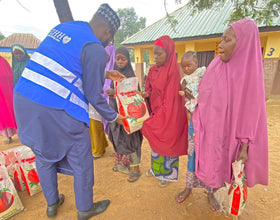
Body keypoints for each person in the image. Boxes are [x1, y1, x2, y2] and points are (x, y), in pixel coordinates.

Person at [13, 4, 125, 220]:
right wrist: (115, 116)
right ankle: (84, 209)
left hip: (25, 99)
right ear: (108, 32)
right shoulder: (96, 49)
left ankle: (52, 204)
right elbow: (94, 95)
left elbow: (67, 64)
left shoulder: (66, 28)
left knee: (42, 154)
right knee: (81, 157)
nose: (108, 43)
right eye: (109, 40)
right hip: (56, 107)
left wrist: (106, 72)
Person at [192, 18, 268, 205]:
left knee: (235, 172)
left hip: (236, 137)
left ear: (243, 43)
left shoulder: (250, 74)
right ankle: (213, 193)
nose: (220, 45)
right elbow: (204, 93)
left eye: (227, 40)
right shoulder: (217, 64)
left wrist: (244, 147)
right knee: (214, 168)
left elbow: (251, 112)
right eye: (221, 40)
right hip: (214, 132)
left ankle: (230, 204)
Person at [139, 35, 188, 187]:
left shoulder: (173, 73)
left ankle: (167, 175)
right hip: (156, 111)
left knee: (167, 140)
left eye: (159, 54)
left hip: (169, 114)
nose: (156, 57)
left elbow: (170, 100)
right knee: (156, 142)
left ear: (169, 53)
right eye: (154, 54)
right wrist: (145, 94)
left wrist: (160, 117)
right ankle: (156, 170)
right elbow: (151, 90)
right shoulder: (154, 70)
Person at [176, 51, 220, 212]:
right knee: (192, 155)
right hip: (193, 122)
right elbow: (184, 94)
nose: (186, 69)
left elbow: (212, 93)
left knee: (209, 156)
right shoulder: (184, 79)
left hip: (209, 122)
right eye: (183, 67)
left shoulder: (204, 73)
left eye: (189, 65)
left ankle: (210, 192)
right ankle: (188, 187)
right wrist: (185, 93)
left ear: (196, 64)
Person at [106, 46, 143, 182]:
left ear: (128, 60)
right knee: (118, 137)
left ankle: (135, 169)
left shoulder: (131, 77)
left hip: (129, 114)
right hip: (116, 113)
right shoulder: (113, 75)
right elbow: (112, 92)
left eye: (123, 59)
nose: (120, 62)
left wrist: (116, 93)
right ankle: (123, 165)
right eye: (118, 59)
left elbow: (134, 96)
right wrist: (111, 94)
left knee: (132, 139)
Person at [88, 42, 115, 159]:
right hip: (93, 94)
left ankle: (98, 149)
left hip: (99, 96)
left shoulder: (113, 71)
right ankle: (101, 145)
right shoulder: (95, 66)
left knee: (97, 121)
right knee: (94, 121)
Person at [0, 56, 17, 144]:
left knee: (12, 112)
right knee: (2, 115)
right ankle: (8, 135)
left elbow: (10, 74)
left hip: (7, 92)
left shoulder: (2, 61)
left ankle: (21, 134)